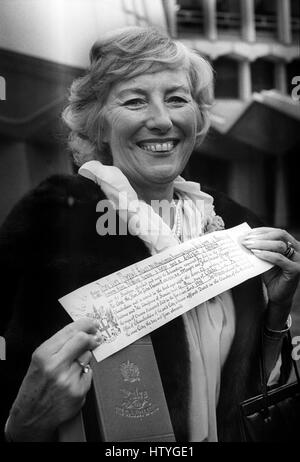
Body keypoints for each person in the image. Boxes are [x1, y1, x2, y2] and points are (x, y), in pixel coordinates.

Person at [1, 26, 299, 442]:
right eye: (135, 100)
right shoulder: (49, 223)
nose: (161, 120)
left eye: (177, 99)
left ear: (197, 118)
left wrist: (276, 311)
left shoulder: (233, 225)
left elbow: (247, 392)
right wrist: (23, 425)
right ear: (98, 125)